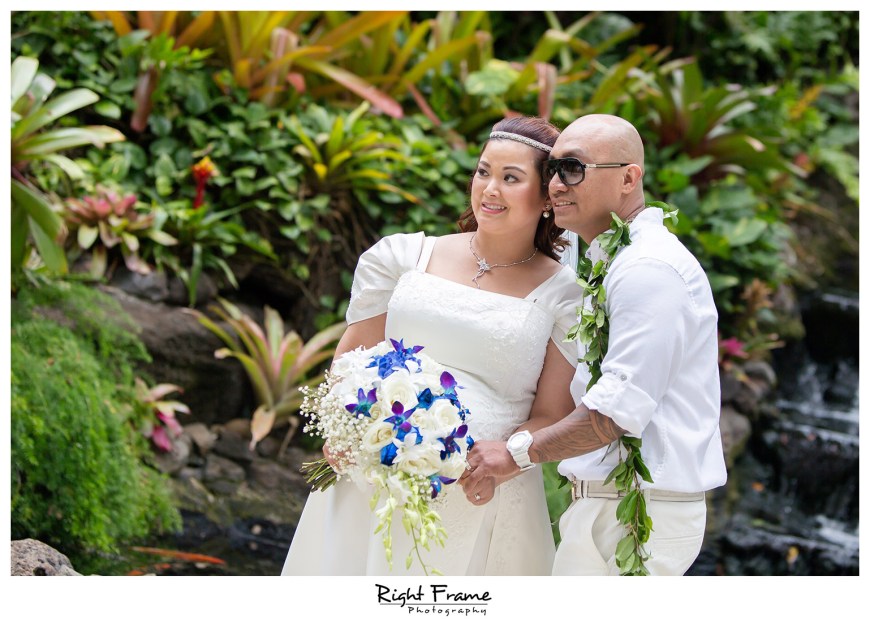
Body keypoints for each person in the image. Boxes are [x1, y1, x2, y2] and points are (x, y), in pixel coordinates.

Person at [281, 116, 580, 576]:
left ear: (545, 198)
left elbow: (553, 412)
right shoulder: (402, 258)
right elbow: (352, 354)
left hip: (477, 491)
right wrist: (341, 430)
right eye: (483, 172)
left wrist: (506, 461)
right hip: (372, 472)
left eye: (511, 178)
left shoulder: (564, 296)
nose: (490, 190)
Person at [461, 114, 728, 576]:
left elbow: (613, 414)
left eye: (573, 169)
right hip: (608, 505)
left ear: (629, 178)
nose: (556, 184)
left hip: (641, 514)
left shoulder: (649, 269)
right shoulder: (609, 258)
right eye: (552, 169)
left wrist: (514, 453)